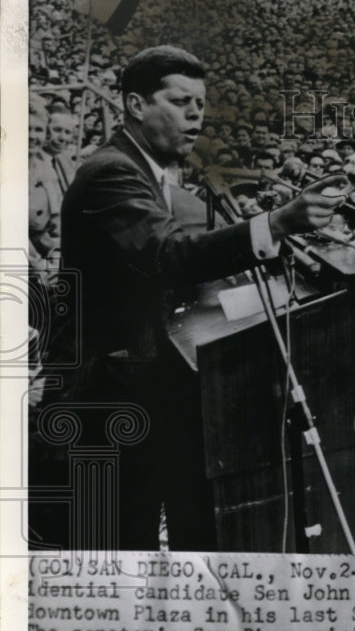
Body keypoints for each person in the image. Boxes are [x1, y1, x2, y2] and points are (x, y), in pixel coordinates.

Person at [59, 46, 340, 550]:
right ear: (135, 104)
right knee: (121, 548)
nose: (195, 115)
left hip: (147, 386)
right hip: (112, 397)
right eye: (180, 100)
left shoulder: (153, 172)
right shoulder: (111, 171)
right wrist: (274, 224)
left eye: (201, 104)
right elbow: (165, 254)